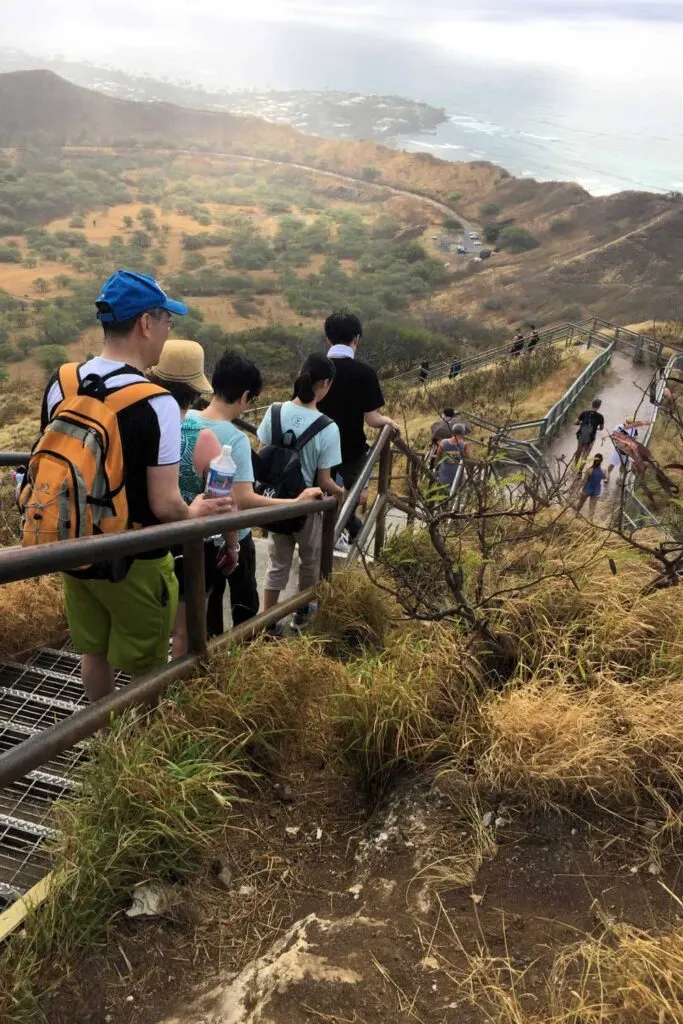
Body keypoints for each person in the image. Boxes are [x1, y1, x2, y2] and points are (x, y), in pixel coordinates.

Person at [38, 270, 233, 701]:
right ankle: (137, 756)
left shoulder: (62, 381)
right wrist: (197, 513)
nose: (168, 331)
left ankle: (103, 738)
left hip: (75, 547)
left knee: (94, 651)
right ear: (146, 323)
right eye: (168, 322)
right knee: (146, 666)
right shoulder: (158, 402)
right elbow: (165, 504)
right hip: (137, 559)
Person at [185, 351, 323, 632]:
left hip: (191, 534)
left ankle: (204, 661)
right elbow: (243, 499)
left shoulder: (185, 419)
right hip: (231, 538)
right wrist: (296, 501)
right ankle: (246, 654)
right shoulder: (234, 438)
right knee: (244, 605)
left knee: (204, 609)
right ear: (245, 396)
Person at [147, 339, 239, 659]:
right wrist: (233, 545)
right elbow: (223, 501)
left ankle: (141, 690)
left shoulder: (142, 428)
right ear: (195, 393)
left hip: (145, 542)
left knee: (153, 625)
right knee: (185, 630)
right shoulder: (203, 437)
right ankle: (173, 696)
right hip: (192, 548)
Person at [258, 354, 344, 633]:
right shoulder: (328, 427)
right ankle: (301, 614)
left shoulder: (273, 411)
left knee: (277, 562)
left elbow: (263, 458)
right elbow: (324, 480)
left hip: (278, 504)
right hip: (308, 508)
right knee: (310, 562)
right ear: (326, 384)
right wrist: (341, 492)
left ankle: (268, 620)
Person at [317, 313, 400, 543]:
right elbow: (372, 419)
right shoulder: (365, 373)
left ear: (328, 339)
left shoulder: (315, 367)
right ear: (357, 338)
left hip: (319, 448)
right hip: (351, 448)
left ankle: (332, 534)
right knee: (354, 496)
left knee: (319, 497)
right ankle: (351, 530)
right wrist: (388, 422)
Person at [605, 419, 651, 486]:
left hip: (627, 452)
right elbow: (614, 436)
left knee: (623, 466)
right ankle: (607, 476)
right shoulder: (619, 427)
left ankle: (620, 478)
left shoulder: (634, 429)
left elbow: (635, 439)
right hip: (618, 450)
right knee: (612, 463)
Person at [436, 422, 470, 489]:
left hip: (444, 471)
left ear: (452, 431)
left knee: (442, 490)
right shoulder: (465, 444)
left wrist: (436, 466)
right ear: (463, 433)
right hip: (457, 472)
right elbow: (468, 456)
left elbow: (438, 455)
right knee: (456, 491)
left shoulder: (443, 442)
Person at [572, 397, 605, 466]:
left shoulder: (584, 413)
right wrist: (596, 427)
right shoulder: (600, 417)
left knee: (579, 450)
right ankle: (580, 470)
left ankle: (574, 466)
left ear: (592, 404)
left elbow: (575, 422)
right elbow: (601, 428)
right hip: (590, 437)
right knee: (585, 453)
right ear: (599, 406)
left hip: (581, 435)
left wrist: (581, 423)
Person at [576, 453, 606, 519]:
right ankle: (590, 523)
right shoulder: (604, 470)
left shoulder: (589, 469)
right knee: (592, 509)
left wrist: (578, 489)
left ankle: (576, 514)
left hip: (587, 489)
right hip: (596, 490)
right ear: (601, 460)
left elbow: (584, 481)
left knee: (580, 503)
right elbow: (604, 477)